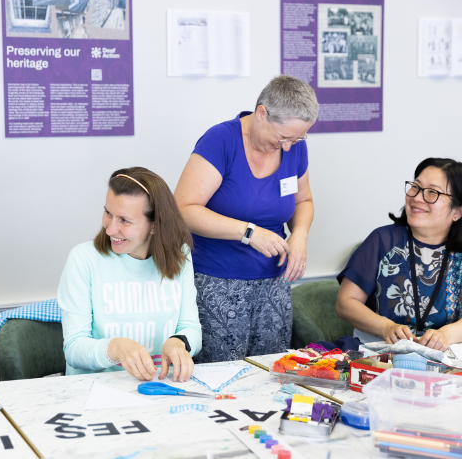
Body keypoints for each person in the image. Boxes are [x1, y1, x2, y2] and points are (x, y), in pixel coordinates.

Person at [174, 75, 318, 363]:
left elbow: (303, 200)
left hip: (274, 285)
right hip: (217, 284)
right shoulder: (221, 141)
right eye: (283, 137)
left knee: (269, 373)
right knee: (221, 376)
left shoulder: (294, 147)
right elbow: (183, 208)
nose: (289, 147)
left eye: (297, 138)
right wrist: (249, 232)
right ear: (261, 113)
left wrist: (299, 235)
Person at [59, 167, 202, 382]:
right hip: (94, 391)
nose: (110, 229)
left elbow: (190, 327)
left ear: (155, 225)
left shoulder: (180, 255)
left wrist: (179, 341)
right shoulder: (83, 259)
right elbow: (74, 348)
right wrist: (114, 348)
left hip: (161, 387)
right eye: (108, 213)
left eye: (124, 220)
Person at [336, 158, 462, 351]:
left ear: (457, 211)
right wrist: (387, 327)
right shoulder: (382, 240)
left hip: (444, 357)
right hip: (378, 352)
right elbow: (345, 303)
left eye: (432, 192)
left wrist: (447, 334)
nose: (417, 198)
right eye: (416, 187)